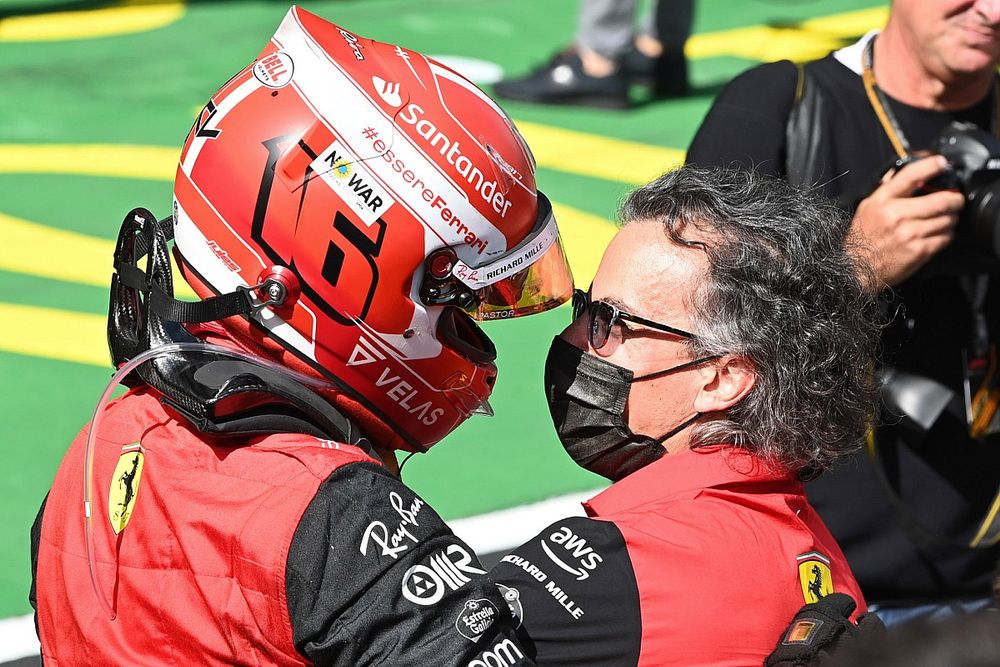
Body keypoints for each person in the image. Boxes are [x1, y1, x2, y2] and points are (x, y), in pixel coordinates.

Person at [29, 7, 575, 665]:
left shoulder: (103, 438)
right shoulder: (338, 513)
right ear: (350, 265)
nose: (472, 333)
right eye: (464, 302)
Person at [490, 164, 882, 665]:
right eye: (585, 309)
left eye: (610, 320)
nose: (573, 340)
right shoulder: (823, 561)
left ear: (721, 379)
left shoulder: (621, 562)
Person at [687, 0, 1000, 625]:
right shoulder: (780, 106)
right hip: (810, 600)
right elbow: (681, 336)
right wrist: (853, 268)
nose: (991, 12)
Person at [492, 0, 692, 109]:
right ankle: (659, 49)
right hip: (667, 53)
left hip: (601, 58)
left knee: (600, 53)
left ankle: (598, 61)